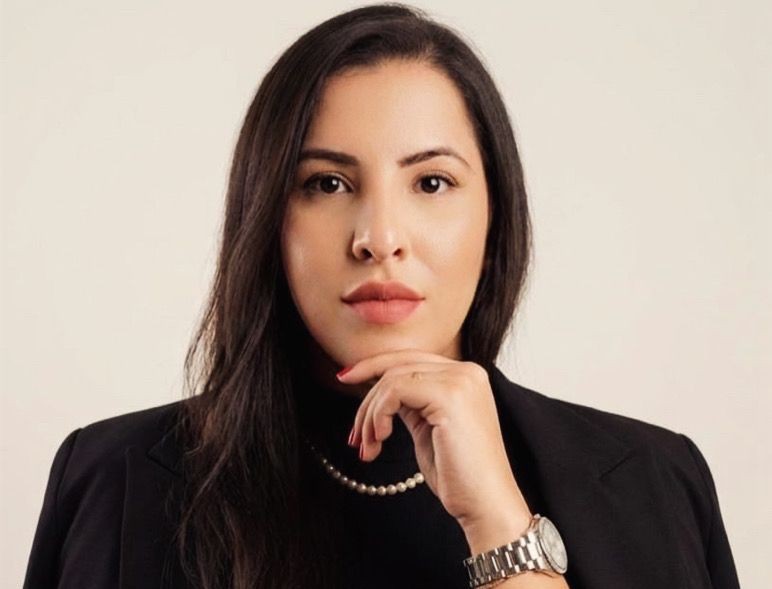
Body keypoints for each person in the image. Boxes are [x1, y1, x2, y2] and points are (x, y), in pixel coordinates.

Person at [22, 4, 740, 589]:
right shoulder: (114, 480)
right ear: (266, 220)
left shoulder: (654, 480)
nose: (380, 238)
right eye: (327, 183)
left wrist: (501, 527)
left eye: (431, 182)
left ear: (495, 218)